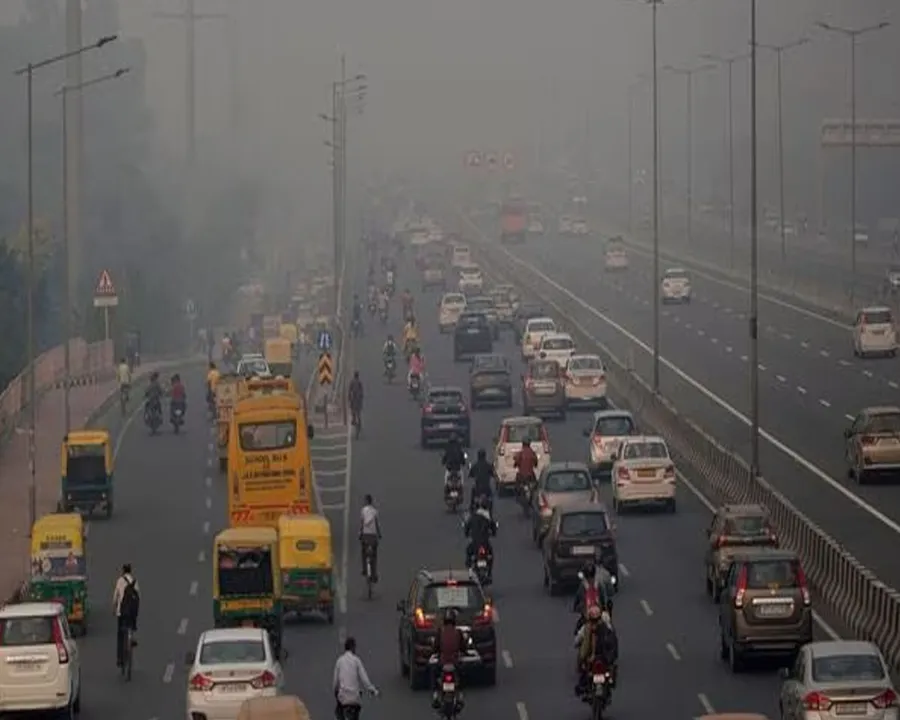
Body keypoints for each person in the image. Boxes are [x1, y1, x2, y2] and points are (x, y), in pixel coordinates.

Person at [574, 605, 618, 695]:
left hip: (603, 658)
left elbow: (613, 646)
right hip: (596, 659)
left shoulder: (602, 630)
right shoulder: (606, 629)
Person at [333, 637, 379, 720]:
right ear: (353, 647)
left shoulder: (339, 661)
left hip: (343, 698)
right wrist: (373, 690)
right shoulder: (356, 660)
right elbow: (365, 680)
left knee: (338, 712)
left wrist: (336, 692)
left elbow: (336, 682)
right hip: (355, 698)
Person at [431, 608, 466, 708]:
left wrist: (434, 652)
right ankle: (460, 696)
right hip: (455, 663)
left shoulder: (440, 632)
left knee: (433, 673)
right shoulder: (458, 632)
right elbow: (463, 647)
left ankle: (435, 695)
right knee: (462, 675)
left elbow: (435, 647)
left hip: (442, 663)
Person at [573, 560, 614, 634]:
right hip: (587, 615)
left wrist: (605, 608)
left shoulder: (599, 585)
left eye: (591, 576)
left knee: (609, 629)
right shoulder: (582, 587)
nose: (590, 579)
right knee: (579, 633)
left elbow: (605, 599)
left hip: (600, 615)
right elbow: (577, 599)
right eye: (588, 577)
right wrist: (578, 607)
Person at [112, 563, 140, 669]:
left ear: (123, 571)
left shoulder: (120, 581)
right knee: (131, 626)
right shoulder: (134, 582)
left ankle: (120, 659)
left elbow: (115, 597)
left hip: (122, 612)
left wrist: (114, 608)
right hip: (132, 613)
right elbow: (138, 598)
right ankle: (132, 639)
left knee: (120, 635)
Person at [464, 495, 497, 569]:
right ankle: (489, 571)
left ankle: (469, 567)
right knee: (490, 554)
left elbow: (467, 527)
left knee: (468, 552)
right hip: (485, 543)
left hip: (475, 543)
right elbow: (493, 527)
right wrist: (494, 533)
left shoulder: (473, 517)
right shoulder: (487, 517)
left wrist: (466, 533)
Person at [359, 494, 381, 578]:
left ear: (366, 501)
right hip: (373, 536)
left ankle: (364, 569)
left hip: (365, 535)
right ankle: (374, 573)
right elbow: (377, 524)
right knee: (374, 555)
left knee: (363, 552)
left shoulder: (363, 510)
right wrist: (379, 534)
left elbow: (362, 523)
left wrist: (360, 534)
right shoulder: (375, 511)